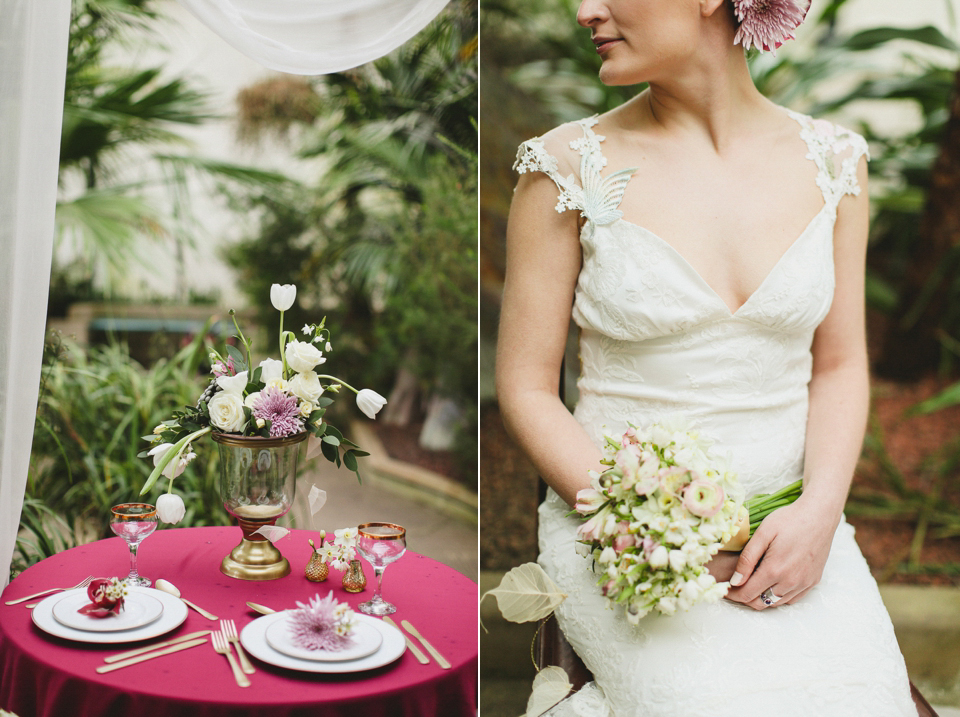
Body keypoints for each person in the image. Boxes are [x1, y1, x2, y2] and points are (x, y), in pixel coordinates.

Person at [495, 0, 919, 714]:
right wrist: (643, 526)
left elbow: (842, 363)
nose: (583, 11)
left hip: (799, 533)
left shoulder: (835, 162)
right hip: (626, 543)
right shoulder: (565, 167)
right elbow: (526, 385)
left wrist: (820, 513)